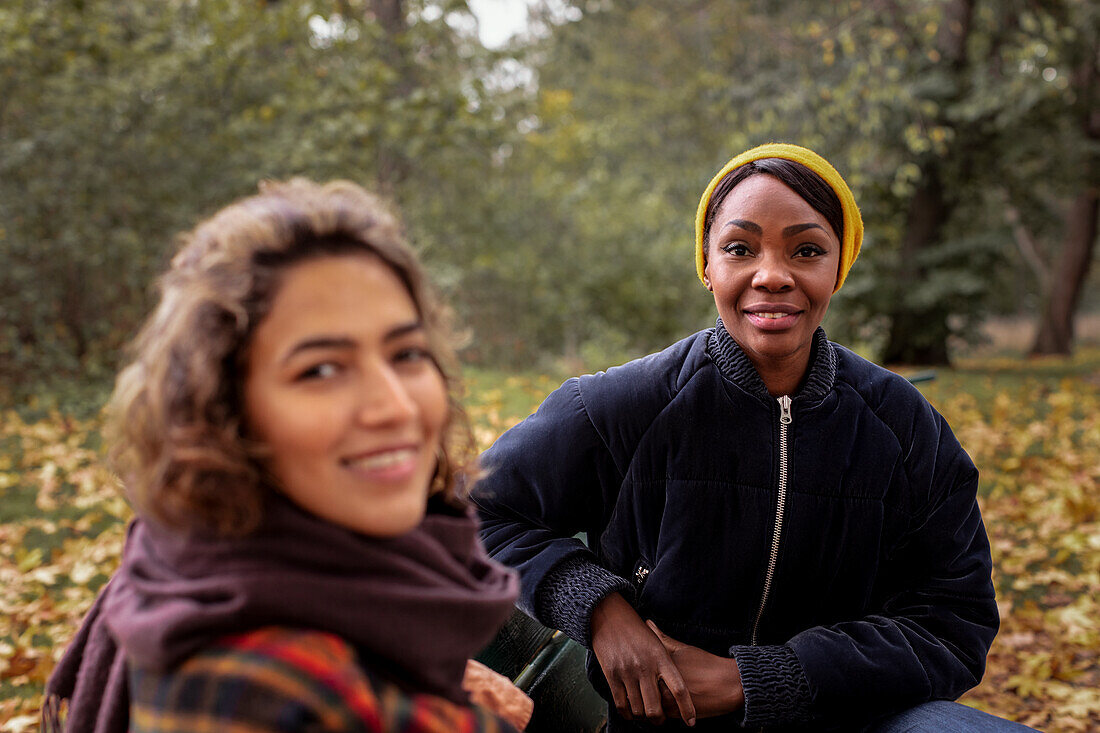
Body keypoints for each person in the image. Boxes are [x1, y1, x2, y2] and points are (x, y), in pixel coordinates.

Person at [473, 144, 1032, 731]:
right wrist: (600, 607)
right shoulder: (625, 405)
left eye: (807, 250)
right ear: (707, 265)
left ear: (837, 269)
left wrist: (759, 679)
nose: (772, 275)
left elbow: (954, 619)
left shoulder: (904, 428)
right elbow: (477, 512)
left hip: (849, 718)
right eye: (740, 249)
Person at [43, 179, 531, 733]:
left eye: (406, 354)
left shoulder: (196, 563)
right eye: (321, 369)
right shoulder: (254, 694)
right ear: (222, 408)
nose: (395, 406)